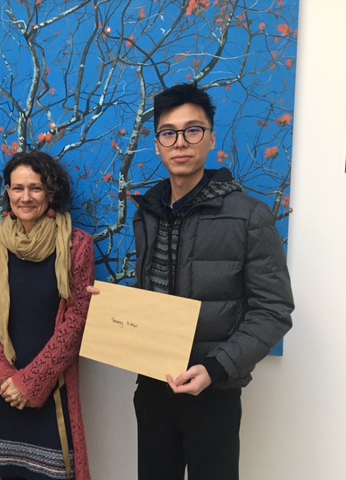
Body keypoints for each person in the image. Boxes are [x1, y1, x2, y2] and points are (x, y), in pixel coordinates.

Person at [92, 83, 294, 479]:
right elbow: (154, 293)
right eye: (169, 133)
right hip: (153, 385)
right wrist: (113, 311)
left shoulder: (249, 215)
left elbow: (274, 309)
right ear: (157, 144)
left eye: (193, 130)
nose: (180, 142)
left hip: (214, 390)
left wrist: (216, 368)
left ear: (211, 138)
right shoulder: (147, 212)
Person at [0, 151, 94, 480]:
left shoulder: (76, 245)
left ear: (51, 193)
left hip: (51, 389)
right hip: (2, 393)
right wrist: (0, 376)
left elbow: (77, 321)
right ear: (8, 192)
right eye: (18, 188)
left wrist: (30, 382)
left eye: (35, 188)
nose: (25, 197)